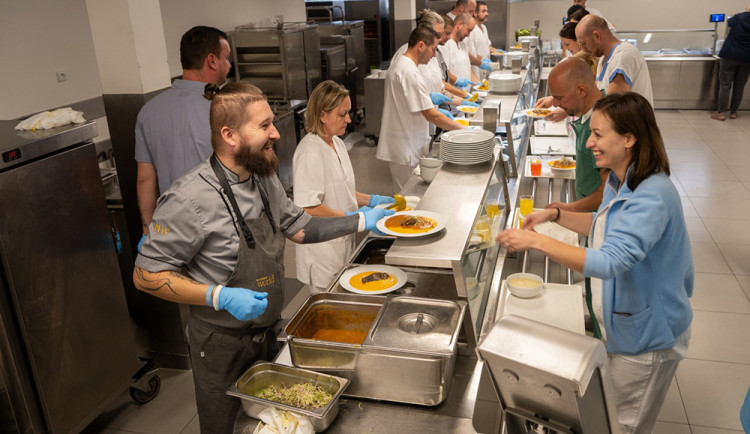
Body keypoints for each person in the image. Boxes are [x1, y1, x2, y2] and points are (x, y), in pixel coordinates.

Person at [133, 82, 393, 434]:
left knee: (270, 424)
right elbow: (145, 275)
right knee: (226, 427)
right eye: (264, 126)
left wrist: (359, 220)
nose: (276, 133)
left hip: (269, 333)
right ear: (229, 135)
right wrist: (218, 296)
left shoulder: (263, 177)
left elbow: (299, 228)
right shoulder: (188, 198)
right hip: (221, 346)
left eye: (272, 123)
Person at [498, 92, 693, 434]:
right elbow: (602, 227)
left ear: (630, 138)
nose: (590, 143)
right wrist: (554, 215)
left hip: (646, 338)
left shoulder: (652, 196)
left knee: (622, 425)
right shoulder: (623, 179)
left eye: (599, 134)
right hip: (625, 324)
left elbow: (610, 261)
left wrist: (535, 240)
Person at [293, 81, 394, 292]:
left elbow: (342, 190)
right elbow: (308, 208)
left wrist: (373, 200)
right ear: (322, 115)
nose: (349, 119)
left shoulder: (337, 142)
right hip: (322, 251)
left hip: (342, 242)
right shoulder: (310, 153)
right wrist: (354, 218)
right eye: (342, 114)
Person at [135, 26, 231, 237]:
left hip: (172, 229)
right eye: (226, 58)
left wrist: (148, 231)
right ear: (212, 61)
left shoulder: (148, 111)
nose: (229, 65)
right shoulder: (225, 109)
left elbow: (145, 178)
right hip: (220, 227)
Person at [377, 26, 465, 190]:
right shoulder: (409, 71)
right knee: (409, 197)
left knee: (408, 195)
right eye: (433, 49)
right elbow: (431, 115)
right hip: (406, 148)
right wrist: (463, 129)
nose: (433, 55)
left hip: (404, 144)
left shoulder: (401, 66)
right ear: (420, 46)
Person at [540, 58, 606, 212]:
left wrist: (568, 210)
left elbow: (606, 192)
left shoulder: (602, 124)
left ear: (581, 90)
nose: (555, 104)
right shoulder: (588, 112)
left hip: (596, 217)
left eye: (560, 97)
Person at [576, 15, 652, 106]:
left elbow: (612, 106)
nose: (583, 49)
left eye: (583, 43)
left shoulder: (622, 57)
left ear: (596, 36)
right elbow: (597, 94)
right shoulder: (604, 59)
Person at [711, 5, 750, 121]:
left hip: (730, 55)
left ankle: (721, 113)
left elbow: (729, 22)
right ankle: (733, 112)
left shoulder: (738, 17)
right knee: (739, 86)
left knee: (725, 85)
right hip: (747, 58)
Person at [441, 13, 479, 85]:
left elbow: (467, 67)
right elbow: (444, 72)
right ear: (459, 24)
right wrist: (457, 80)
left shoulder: (463, 45)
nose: (468, 35)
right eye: (468, 30)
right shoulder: (446, 44)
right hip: (455, 94)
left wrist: (478, 83)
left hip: (466, 93)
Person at [469, 1, 496, 78]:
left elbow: (487, 46)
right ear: (475, 13)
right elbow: (470, 53)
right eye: (483, 11)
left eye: (487, 11)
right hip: (476, 69)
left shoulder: (484, 27)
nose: (487, 14)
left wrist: (498, 52)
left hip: (486, 69)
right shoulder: (471, 30)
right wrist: (482, 60)